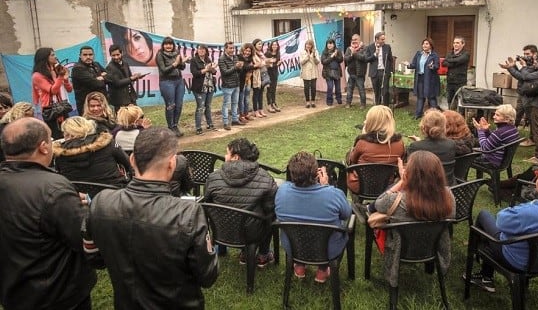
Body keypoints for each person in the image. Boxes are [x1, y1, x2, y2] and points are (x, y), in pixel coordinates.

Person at [84, 127, 219, 308]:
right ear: (172, 164)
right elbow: (207, 275)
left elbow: (94, 258)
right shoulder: (188, 213)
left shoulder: (101, 202)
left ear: (132, 160)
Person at [0, 118, 96, 309]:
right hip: (57, 294)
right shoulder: (53, 188)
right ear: (44, 147)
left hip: (14, 291)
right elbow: (83, 237)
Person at [466, 166, 538, 293]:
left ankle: (485, 276)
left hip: (516, 259)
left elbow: (501, 220)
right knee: (493, 231)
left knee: (483, 215)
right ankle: (484, 269)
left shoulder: (531, 212)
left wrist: (533, 203)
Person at [374, 150, 455, 290]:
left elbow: (378, 204)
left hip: (400, 249)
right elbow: (452, 216)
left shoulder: (396, 201)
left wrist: (401, 183)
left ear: (409, 174)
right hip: (433, 247)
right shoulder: (448, 196)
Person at [275, 151, 351, 283]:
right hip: (328, 249)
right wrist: (326, 187)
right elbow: (346, 214)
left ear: (292, 174)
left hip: (293, 246)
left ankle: (299, 266)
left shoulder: (282, 191)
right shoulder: (333, 194)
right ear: (317, 173)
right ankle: (322, 270)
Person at [204, 138, 278, 267]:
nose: (225, 156)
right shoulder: (266, 178)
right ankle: (263, 255)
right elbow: (270, 210)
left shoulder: (213, 178)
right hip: (252, 233)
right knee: (269, 217)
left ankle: (246, 253)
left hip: (222, 228)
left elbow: (207, 203)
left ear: (235, 157)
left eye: (227, 153)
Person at [53, 116, 131, 186]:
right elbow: (128, 164)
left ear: (67, 134)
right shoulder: (107, 143)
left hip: (78, 196)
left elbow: (61, 179)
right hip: (114, 191)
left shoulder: (59, 154)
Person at [347, 105, 405, 194]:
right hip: (387, 186)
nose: (364, 121)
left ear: (372, 122)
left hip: (361, 186)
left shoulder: (362, 143)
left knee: (349, 155)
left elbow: (352, 161)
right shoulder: (399, 143)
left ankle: (357, 202)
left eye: (367, 119)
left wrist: (363, 136)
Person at [407, 109, 457, 185]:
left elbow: (409, 172)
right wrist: (419, 143)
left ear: (423, 127)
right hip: (446, 189)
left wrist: (418, 144)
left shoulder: (415, 147)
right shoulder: (451, 144)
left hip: (422, 191)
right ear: (444, 127)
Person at [32, 47, 73, 138]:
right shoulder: (37, 75)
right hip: (50, 110)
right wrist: (61, 76)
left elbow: (69, 90)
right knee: (57, 136)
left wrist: (65, 80)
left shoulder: (57, 70)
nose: (56, 56)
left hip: (63, 107)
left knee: (68, 134)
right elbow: (52, 90)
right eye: (52, 55)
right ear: (45, 57)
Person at [513, 45, 538, 147]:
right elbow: (519, 75)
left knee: (531, 117)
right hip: (521, 92)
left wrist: (524, 66)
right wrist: (513, 66)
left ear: (535, 54)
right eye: (524, 54)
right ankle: (509, 135)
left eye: (528, 54)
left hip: (530, 95)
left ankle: (532, 139)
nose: (525, 56)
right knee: (516, 114)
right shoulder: (527, 63)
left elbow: (525, 76)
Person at [156, 36, 190, 137]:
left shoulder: (176, 53)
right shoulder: (160, 55)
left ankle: (175, 125)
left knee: (179, 105)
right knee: (171, 106)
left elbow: (182, 67)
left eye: (170, 44)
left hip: (179, 81)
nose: (168, 46)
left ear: (173, 45)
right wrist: (175, 64)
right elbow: (163, 70)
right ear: (163, 45)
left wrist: (182, 62)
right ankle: (170, 127)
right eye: (166, 44)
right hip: (167, 82)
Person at [406, 38, 441, 119]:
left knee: (431, 97)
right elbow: (414, 65)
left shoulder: (434, 55)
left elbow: (437, 66)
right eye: (423, 44)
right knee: (420, 96)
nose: (424, 45)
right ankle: (418, 114)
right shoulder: (418, 54)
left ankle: (436, 116)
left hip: (430, 79)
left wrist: (432, 66)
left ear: (431, 46)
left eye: (427, 44)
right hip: (420, 78)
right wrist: (408, 65)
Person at [106, 44, 145, 112]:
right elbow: (117, 83)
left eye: (118, 54)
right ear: (110, 55)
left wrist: (136, 77)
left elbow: (129, 77)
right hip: (120, 101)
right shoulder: (109, 67)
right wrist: (132, 78)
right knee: (123, 122)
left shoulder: (125, 63)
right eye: (113, 55)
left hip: (131, 98)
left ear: (122, 53)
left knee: (138, 118)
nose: (116, 57)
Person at [71, 45, 108, 116]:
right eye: (85, 55)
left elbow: (110, 77)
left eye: (90, 54)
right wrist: (100, 77)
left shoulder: (96, 64)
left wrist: (99, 78)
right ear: (80, 56)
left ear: (93, 55)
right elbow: (97, 84)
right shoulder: (78, 68)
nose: (88, 57)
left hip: (101, 104)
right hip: (87, 107)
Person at [219, 41, 247, 130]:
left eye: (233, 48)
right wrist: (235, 67)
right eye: (230, 48)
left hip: (236, 84)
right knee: (226, 104)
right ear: (225, 49)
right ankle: (225, 122)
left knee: (235, 103)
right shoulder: (222, 59)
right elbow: (225, 72)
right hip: (227, 85)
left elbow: (238, 72)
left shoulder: (235, 57)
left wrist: (240, 67)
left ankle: (234, 120)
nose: (232, 50)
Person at [190, 44, 217, 134]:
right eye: (199, 49)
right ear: (197, 51)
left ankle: (210, 124)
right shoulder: (194, 60)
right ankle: (198, 127)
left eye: (203, 49)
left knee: (208, 106)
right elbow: (195, 73)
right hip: (199, 87)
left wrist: (212, 69)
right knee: (200, 107)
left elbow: (214, 72)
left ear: (206, 51)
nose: (201, 51)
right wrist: (206, 69)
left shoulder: (208, 59)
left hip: (210, 86)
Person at [366, 32, 393, 106]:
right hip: (374, 73)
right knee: (376, 91)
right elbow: (366, 59)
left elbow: (390, 59)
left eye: (384, 39)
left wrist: (390, 71)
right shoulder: (370, 47)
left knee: (385, 91)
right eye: (382, 39)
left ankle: (386, 107)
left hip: (384, 72)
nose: (384, 41)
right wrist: (375, 54)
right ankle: (378, 108)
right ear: (377, 39)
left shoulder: (387, 47)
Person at [442, 36, 470, 108]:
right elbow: (444, 63)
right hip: (450, 81)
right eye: (454, 43)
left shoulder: (466, 54)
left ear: (463, 44)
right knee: (450, 101)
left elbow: (459, 60)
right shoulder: (450, 53)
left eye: (457, 43)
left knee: (459, 101)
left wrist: (450, 60)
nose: (455, 44)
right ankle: (450, 116)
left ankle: (460, 117)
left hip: (460, 82)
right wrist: (454, 61)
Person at [344, 33, 368, 109]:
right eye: (353, 40)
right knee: (349, 89)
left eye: (355, 39)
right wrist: (351, 54)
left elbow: (364, 58)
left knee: (361, 89)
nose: (354, 41)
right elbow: (346, 58)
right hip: (351, 73)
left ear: (359, 39)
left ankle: (363, 105)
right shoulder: (349, 49)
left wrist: (355, 53)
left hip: (360, 73)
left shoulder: (364, 48)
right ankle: (348, 104)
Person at [321, 38, 344, 106]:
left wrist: (336, 55)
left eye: (331, 43)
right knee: (330, 87)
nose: (330, 45)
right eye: (328, 43)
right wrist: (332, 56)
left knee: (338, 88)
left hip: (336, 72)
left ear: (334, 44)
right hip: (328, 72)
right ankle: (329, 100)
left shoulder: (338, 51)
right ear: (326, 45)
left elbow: (341, 60)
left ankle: (339, 98)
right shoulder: (324, 52)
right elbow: (323, 62)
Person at [300, 39, 320, 108]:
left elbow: (317, 62)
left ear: (312, 46)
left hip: (313, 72)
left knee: (313, 87)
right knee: (306, 87)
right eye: (307, 44)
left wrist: (313, 56)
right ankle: (307, 102)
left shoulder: (315, 52)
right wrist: (307, 57)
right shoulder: (302, 52)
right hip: (305, 72)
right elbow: (301, 62)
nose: (308, 46)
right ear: (305, 45)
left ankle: (313, 101)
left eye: (309, 44)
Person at [251, 38, 269, 117]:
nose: (260, 45)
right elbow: (258, 64)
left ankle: (261, 109)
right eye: (258, 44)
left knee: (261, 93)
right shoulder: (253, 54)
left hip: (263, 74)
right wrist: (265, 62)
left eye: (261, 44)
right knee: (256, 93)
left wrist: (266, 62)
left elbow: (265, 63)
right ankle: (255, 111)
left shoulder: (261, 53)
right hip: (256, 76)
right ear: (254, 45)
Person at [237, 43, 255, 120]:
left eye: (249, 51)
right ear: (243, 50)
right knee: (241, 99)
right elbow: (243, 68)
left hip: (248, 81)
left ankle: (246, 113)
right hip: (241, 81)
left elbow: (250, 68)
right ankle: (241, 115)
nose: (247, 52)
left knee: (247, 98)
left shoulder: (251, 59)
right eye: (246, 50)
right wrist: (251, 66)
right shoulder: (239, 57)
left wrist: (251, 67)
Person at [265, 40, 282, 112]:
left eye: (276, 45)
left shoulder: (278, 53)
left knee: (274, 89)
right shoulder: (267, 54)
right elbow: (267, 65)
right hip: (268, 74)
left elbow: (276, 64)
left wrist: (278, 64)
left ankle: (274, 103)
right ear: (271, 46)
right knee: (269, 90)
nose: (275, 46)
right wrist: (276, 64)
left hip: (275, 73)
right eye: (273, 45)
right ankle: (269, 105)